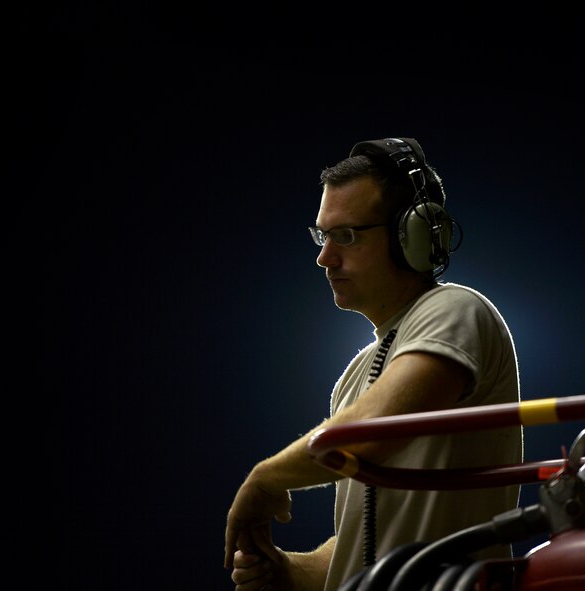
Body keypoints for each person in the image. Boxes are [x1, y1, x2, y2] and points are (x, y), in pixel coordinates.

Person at [223, 137, 523, 591]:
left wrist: (265, 478)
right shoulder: (354, 377)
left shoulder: (457, 309)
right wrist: (284, 569)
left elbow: (369, 435)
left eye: (346, 236)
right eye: (323, 236)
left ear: (415, 235)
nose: (325, 258)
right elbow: (363, 545)